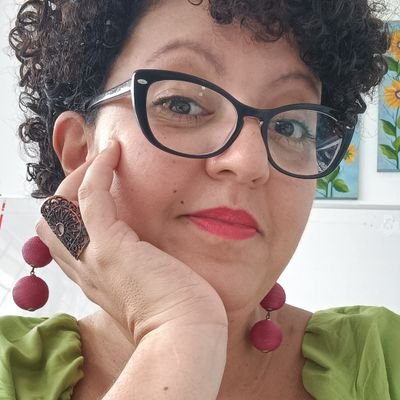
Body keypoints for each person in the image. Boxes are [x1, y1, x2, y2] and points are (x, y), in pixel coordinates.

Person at [1, 0, 399, 399]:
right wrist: (179, 328)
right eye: (181, 104)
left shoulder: (385, 360)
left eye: (290, 127)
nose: (249, 161)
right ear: (79, 151)